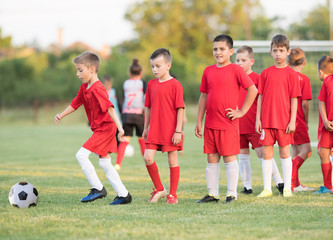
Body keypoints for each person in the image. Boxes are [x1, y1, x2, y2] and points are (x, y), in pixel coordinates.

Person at [54, 51, 132, 205]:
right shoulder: (84, 87)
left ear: (92, 69)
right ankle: (124, 195)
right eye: (77, 70)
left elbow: (110, 109)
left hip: (106, 129)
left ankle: (97, 188)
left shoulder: (98, 88)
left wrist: (120, 128)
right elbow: (75, 103)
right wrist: (61, 115)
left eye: (80, 70)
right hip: (99, 129)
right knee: (104, 163)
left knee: (81, 155)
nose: (77, 74)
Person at [195, 35, 258, 204]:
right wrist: (199, 121)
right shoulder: (208, 71)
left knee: (229, 158)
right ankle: (212, 194)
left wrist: (241, 112)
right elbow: (203, 97)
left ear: (230, 51)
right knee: (212, 158)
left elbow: (253, 90)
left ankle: (231, 194)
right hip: (210, 124)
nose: (218, 52)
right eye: (215, 49)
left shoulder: (236, 70)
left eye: (222, 49)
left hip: (228, 124)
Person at [256, 34, 301, 198]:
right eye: (275, 50)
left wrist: (292, 121)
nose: (278, 54)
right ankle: (267, 188)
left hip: (284, 122)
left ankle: (287, 188)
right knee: (267, 153)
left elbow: (294, 99)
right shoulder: (265, 73)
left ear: (288, 52)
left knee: (285, 153)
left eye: (281, 50)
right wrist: (258, 119)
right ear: (270, 52)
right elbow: (260, 97)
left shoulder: (291, 75)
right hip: (267, 121)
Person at [235, 46, 284, 195]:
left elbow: (264, 101)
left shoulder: (257, 78)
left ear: (252, 61)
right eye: (237, 60)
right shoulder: (234, 79)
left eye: (243, 60)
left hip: (254, 125)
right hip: (238, 124)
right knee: (242, 156)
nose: (239, 63)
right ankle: (247, 187)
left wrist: (261, 120)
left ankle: (279, 182)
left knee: (263, 154)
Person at [142, 48, 185, 204]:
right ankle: (159, 188)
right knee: (147, 157)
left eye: (158, 66)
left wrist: (178, 131)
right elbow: (147, 107)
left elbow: (180, 108)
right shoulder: (151, 85)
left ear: (168, 65)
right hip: (154, 129)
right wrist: (145, 128)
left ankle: (172, 195)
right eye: (153, 66)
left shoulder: (176, 85)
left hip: (170, 130)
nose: (155, 69)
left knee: (172, 161)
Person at [287, 48, 315, 192]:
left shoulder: (284, 76)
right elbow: (304, 103)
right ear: (304, 62)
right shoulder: (304, 79)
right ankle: (289, 180)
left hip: (285, 119)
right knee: (307, 151)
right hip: (297, 119)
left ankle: (295, 185)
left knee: (295, 151)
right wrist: (306, 121)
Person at [115, 59, 146, 170]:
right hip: (138, 114)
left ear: (130, 73)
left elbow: (124, 98)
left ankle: (118, 163)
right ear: (141, 73)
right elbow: (146, 99)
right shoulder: (143, 83)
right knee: (142, 139)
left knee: (125, 139)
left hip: (126, 114)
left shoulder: (126, 83)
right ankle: (147, 162)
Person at [314, 55, 333, 194]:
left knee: (323, 153)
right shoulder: (327, 82)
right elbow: (322, 101)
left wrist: (326, 120)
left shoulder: (326, 81)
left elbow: (320, 103)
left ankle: (328, 185)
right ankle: (328, 186)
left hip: (327, 124)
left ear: (321, 72)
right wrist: (326, 121)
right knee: (323, 152)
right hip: (327, 125)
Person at [101, 75, 121, 146]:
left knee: (118, 133)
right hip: (105, 118)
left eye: (110, 84)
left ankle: (119, 149)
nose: (109, 85)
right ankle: (100, 149)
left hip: (116, 116)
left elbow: (118, 103)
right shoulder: (101, 92)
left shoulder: (113, 91)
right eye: (107, 84)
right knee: (104, 135)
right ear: (103, 84)